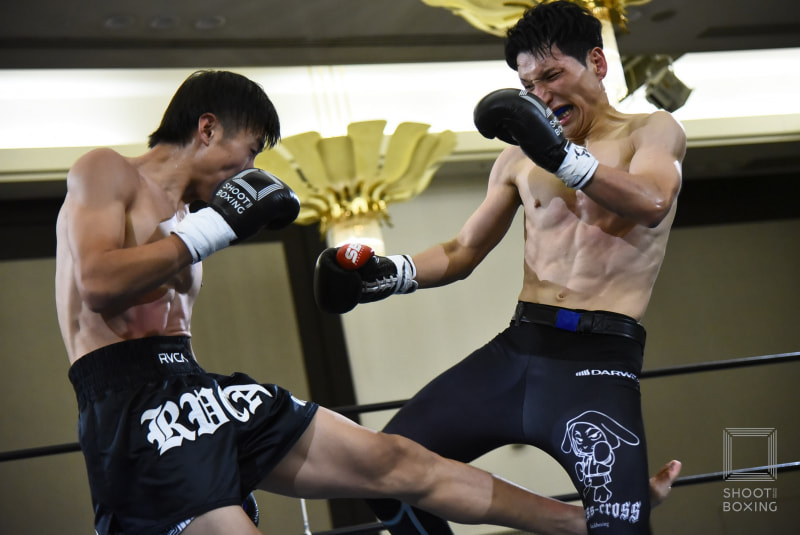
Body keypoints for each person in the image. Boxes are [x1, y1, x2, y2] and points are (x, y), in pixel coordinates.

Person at [55, 68, 601, 535]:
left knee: (396, 460)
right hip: (131, 406)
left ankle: (588, 524)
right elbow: (98, 284)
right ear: (208, 128)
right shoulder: (107, 171)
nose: (248, 170)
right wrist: (217, 227)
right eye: (250, 150)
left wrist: (209, 226)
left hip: (197, 387)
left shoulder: (188, 217)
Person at [313, 2, 685, 533]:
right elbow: (463, 250)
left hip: (597, 363)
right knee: (380, 471)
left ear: (598, 63)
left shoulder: (651, 131)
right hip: (518, 350)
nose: (542, 95)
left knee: (620, 527)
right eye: (529, 84)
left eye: (553, 75)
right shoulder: (516, 158)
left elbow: (651, 201)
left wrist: (562, 158)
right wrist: (391, 272)